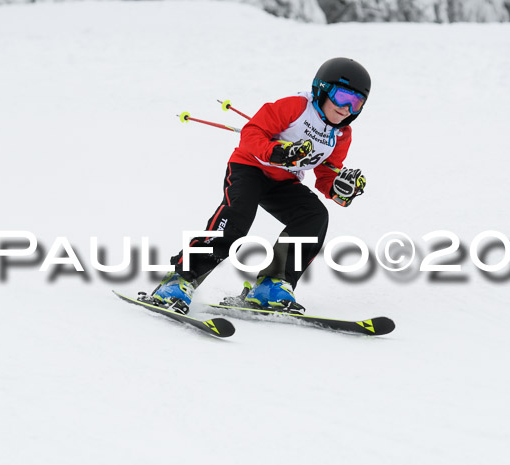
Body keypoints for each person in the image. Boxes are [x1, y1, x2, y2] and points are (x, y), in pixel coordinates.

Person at [152, 57, 371, 314]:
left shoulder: (342, 135)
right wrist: (276, 152)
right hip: (249, 167)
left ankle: (273, 283)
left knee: (314, 215)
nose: (347, 108)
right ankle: (180, 279)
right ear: (322, 89)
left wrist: (338, 188)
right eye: (342, 96)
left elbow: (326, 173)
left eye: (356, 102)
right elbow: (251, 133)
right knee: (237, 217)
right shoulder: (295, 107)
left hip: (283, 181)